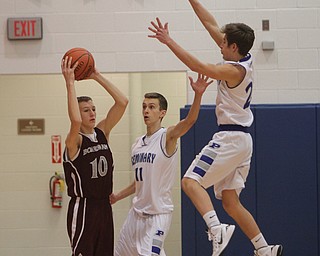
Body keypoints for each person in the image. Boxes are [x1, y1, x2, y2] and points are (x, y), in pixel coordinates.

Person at [148, 1, 283, 256]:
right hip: (242, 141)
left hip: (230, 137)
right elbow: (210, 23)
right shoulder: (244, 56)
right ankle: (263, 248)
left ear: (233, 47)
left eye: (223, 43)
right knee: (231, 202)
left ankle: (216, 228)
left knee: (190, 182)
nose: (219, 44)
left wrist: (169, 41)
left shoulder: (233, 70)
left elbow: (200, 67)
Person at [110, 74, 212, 256]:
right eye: (144, 107)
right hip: (136, 214)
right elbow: (139, 182)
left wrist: (198, 95)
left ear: (162, 112)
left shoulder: (167, 136)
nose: (146, 111)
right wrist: (118, 196)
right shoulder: (137, 143)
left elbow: (189, 121)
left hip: (158, 214)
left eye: (151, 107)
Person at [61, 56, 128, 256]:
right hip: (84, 208)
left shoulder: (102, 133)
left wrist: (96, 75)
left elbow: (122, 102)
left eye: (93, 109)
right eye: (85, 110)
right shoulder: (75, 141)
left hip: (104, 207)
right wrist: (70, 83)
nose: (91, 113)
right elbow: (74, 120)